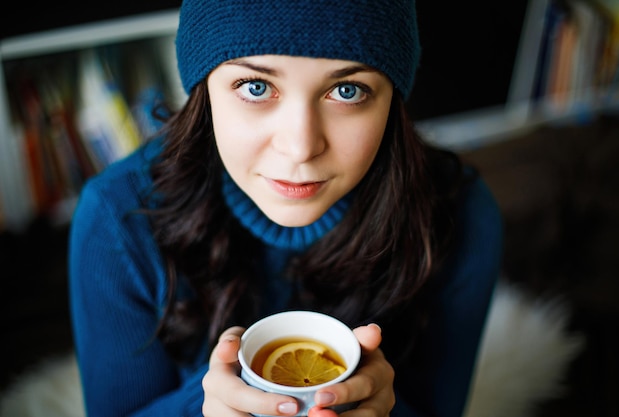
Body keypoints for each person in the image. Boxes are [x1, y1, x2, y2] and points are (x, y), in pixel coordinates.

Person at [68, 0, 503, 416]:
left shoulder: (459, 214)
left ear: (392, 99)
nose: (300, 147)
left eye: (347, 90)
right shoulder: (119, 217)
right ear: (204, 89)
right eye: (256, 87)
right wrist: (203, 407)